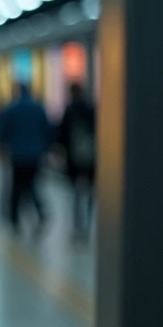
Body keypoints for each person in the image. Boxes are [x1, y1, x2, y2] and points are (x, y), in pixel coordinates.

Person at [0, 82, 53, 232]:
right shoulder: (38, 108)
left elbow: (4, 131)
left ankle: (14, 219)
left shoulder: (13, 109)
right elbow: (47, 130)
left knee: (16, 186)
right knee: (32, 184)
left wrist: (1, 145)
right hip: (35, 155)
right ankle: (40, 212)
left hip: (18, 155)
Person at [57, 82, 97, 240]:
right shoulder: (92, 109)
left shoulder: (69, 110)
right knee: (89, 191)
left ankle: (77, 225)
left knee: (75, 192)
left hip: (73, 158)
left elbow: (62, 134)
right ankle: (87, 225)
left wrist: (61, 149)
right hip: (91, 157)